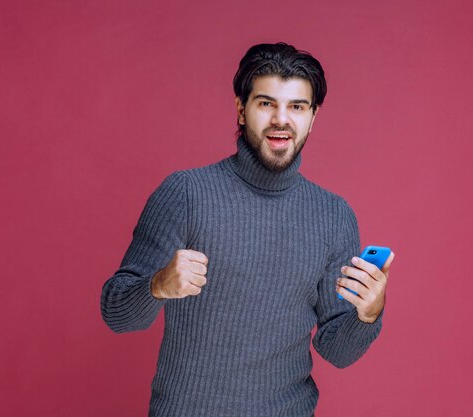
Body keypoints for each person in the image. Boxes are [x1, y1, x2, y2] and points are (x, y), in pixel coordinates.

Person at [101, 42, 391, 417]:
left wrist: (368, 314)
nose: (281, 120)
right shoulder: (186, 193)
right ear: (241, 110)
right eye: (266, 103)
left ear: (313, 117)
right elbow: (116, 313)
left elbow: (337, 351)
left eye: (297, 107)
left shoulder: (334, 215)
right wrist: (157, 285)